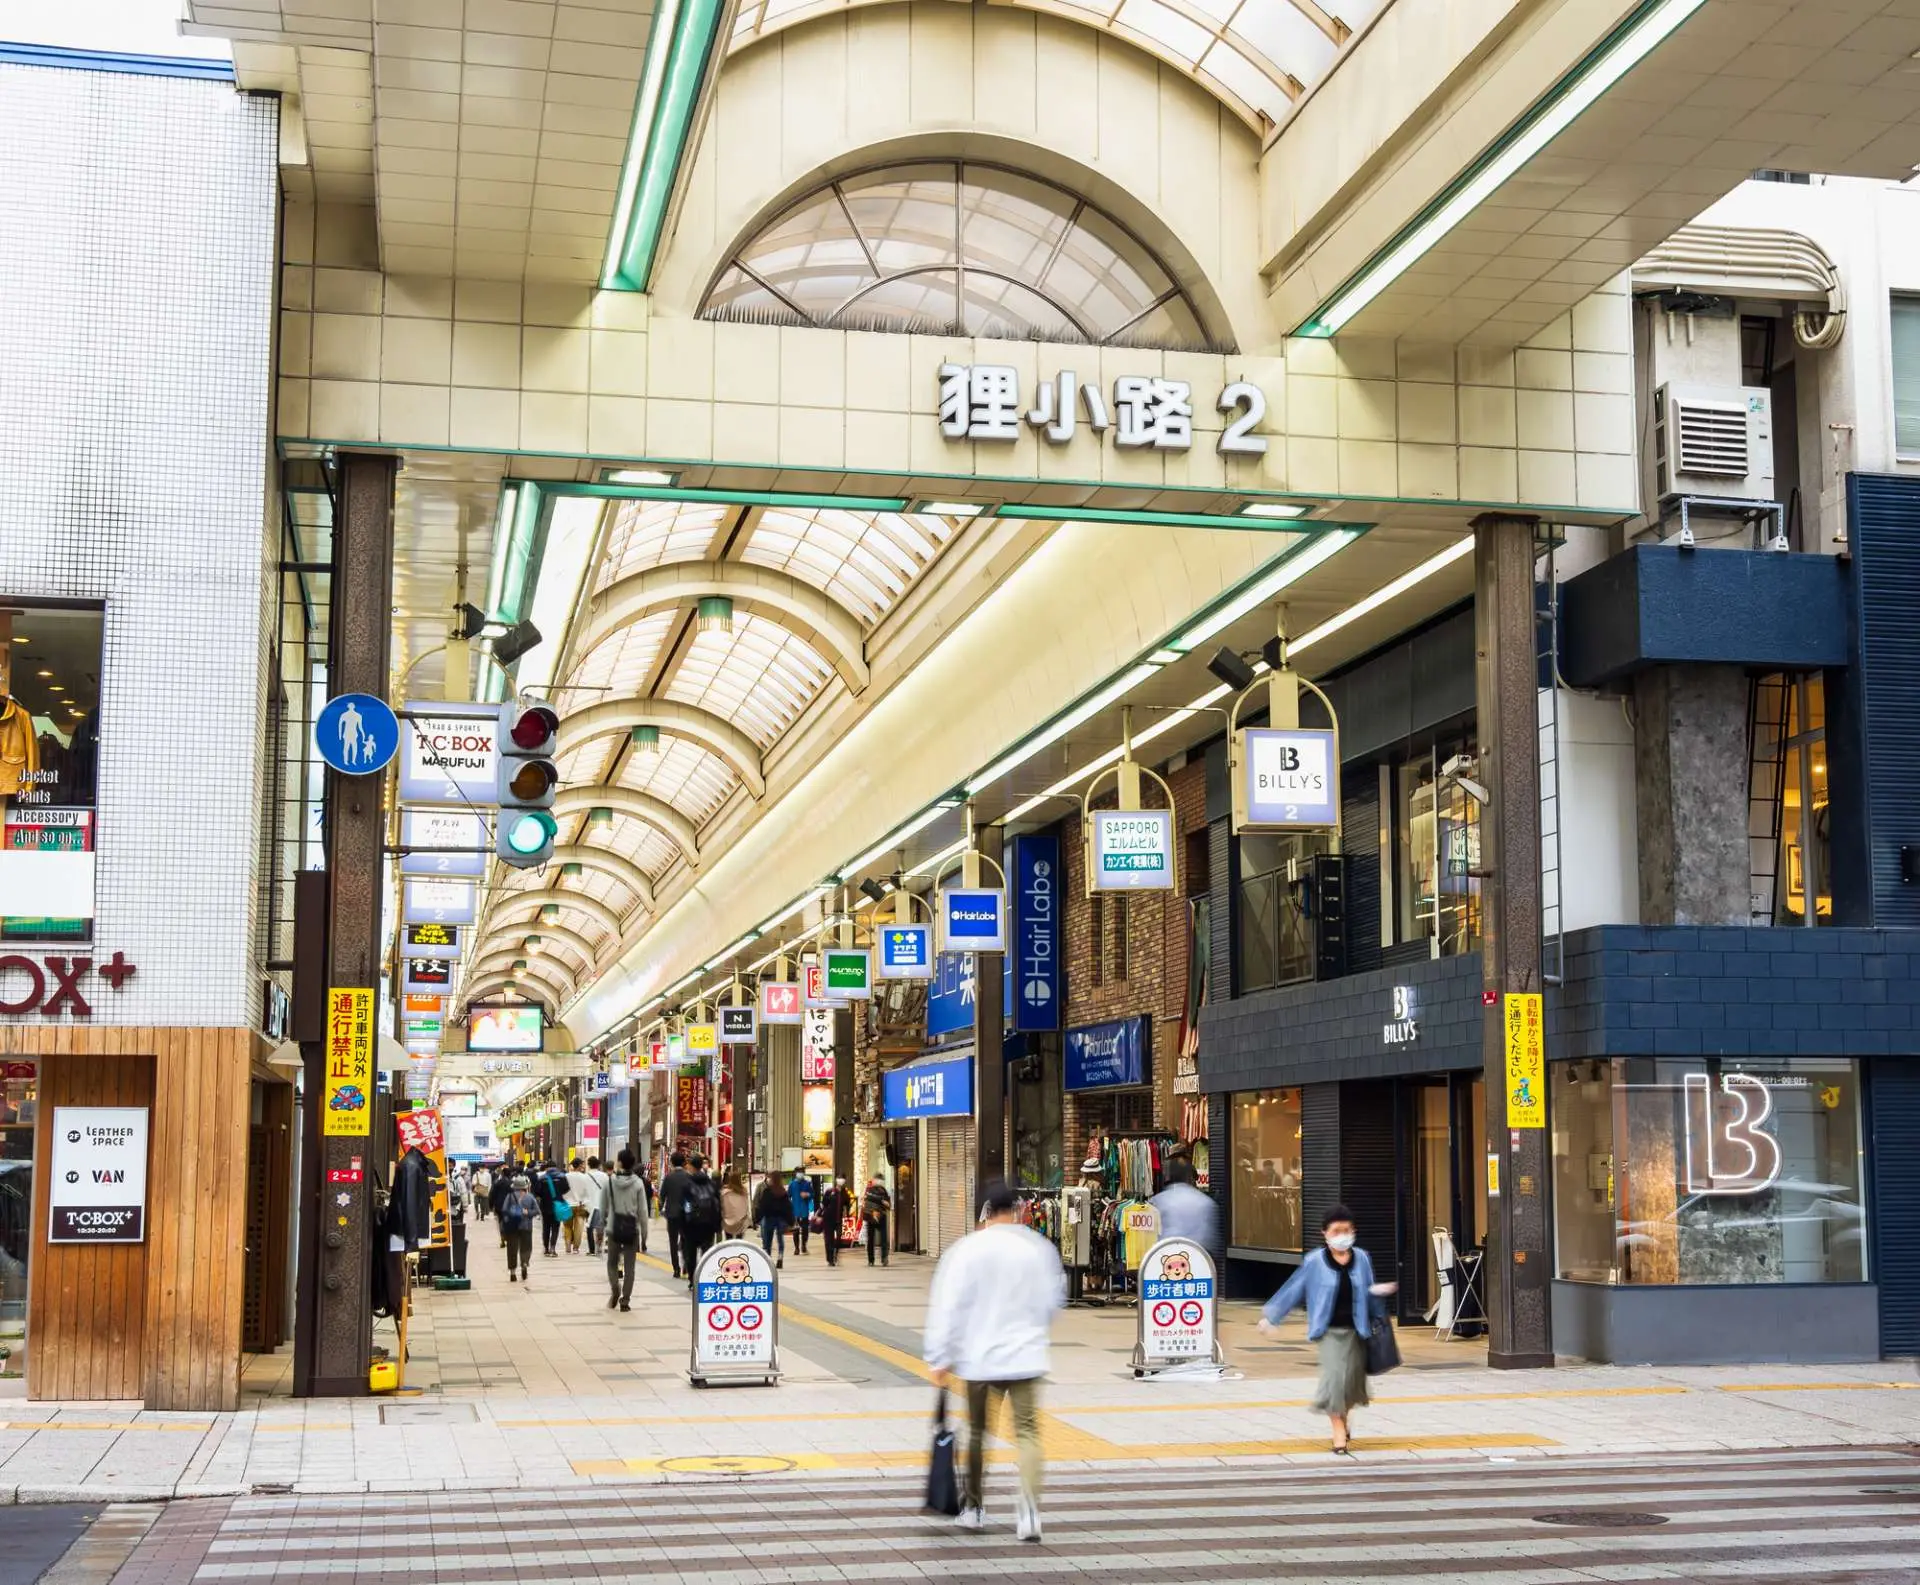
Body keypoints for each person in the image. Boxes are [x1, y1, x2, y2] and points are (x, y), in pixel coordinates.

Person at [924, 1178, 1066, 1543]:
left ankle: (973, 1509)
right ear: (1016, 1210)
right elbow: (1054, 1301)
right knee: (1029, 1433)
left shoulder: (967, 1250)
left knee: (977, 1433)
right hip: (1027, 1357)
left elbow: (948, 1307)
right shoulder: (1038, 1248)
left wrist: (940, 1357)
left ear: (985, 1212)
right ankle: (1030, 1511)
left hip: (979, 1358)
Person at [1258, 1204, 1389, 1455]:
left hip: (1357, 1330)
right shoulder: (1314, 1261)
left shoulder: (1362, 1258)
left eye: (1347, 1230)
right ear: (1325, 1233)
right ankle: (1338, 1430)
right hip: (1329, 1331)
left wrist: (1380, 1298)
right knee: (1334, 1381)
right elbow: (1294, 1288)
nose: (1343, 1235)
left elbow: (1369, 1290)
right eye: (1337, 1230)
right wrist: (1272, 1317)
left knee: (1352, 1385)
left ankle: (1345, 1415)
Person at [604, 1149, 646, 1311]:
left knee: (612, 1263)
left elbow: (603, 1207)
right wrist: (645, 1235)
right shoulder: (638, 1183)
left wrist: (603, 1224)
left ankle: (615, 1288)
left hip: (613, 1228)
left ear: (619, 1162)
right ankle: (625, 1301)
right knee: (630, 1268)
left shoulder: (610, 1182)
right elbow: (643, 1211)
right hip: (631, 1229)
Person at [1150, 1158, 1218, 1247]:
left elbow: (1151, 1238)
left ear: (1168, 1177)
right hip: (1198, 1257)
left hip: (1164, 1257)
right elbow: (1210, 1240)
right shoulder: (1207, 1202)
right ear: (1189, 1177)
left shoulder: (1157, 1202)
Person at [681, 1156, 722, 1285]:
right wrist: (717, 1224)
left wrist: (682, 1224)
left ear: (692, 1167)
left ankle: (693, 1279)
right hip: (708, 1224)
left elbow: (683, 1204)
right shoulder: (711, 1183)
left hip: (691, 1225)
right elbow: (718, 1204)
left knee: (691, 1253)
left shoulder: (687, 1184)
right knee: (706, 1252)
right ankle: (704, 1277)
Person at [499, 1173, 538, 1284]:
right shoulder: (530, 1197)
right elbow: (536, 1211)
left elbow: (504, 1210)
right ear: (525, 1186)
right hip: (526, 1226)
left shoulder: (510, 1196)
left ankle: (512, 1272)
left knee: (512, 1249)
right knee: (526, 1247)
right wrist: (528, 1212)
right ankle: (524, 1263)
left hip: (512, 1227)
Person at [659, 1152, 692, 1278]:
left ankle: (676, 1269)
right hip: (686, 1214)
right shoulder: (689, 1177)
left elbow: (662, 1196)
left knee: (673, 1242)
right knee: (686, 1240)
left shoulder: (668, 1177)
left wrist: (660, 1210)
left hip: (671, 1214)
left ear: (672, 1162)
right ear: (684, 1163)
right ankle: (686, 1266)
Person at [754, 1170, 793, 1269]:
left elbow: (763, 1205)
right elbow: (787, 1207)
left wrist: (757, 1218)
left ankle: (768, 1258)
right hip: (780, 1219)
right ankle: (780, 1256)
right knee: (780, 1239)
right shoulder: (783, 1191)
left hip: (769, 1218)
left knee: (768, 1240)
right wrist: (790, 1220)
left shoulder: (767, 1191)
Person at [578, 1155, 610, 1257]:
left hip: (589, 1205)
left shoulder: (585, 1177)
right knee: (600, 1227)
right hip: (602, 1204)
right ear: (599, 1165)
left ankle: (592, 1250)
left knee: (589, 1228)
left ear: (588, 1165)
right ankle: (599, 1244)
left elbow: (582, 1192)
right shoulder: (604, 1176)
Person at [862, 1174, 892, 1267]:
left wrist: (884, 1202)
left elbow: (888, 1204)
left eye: (881, 1180)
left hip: (881, 1216)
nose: (879, 1181)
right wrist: (881, 1201)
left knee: (884, 1238)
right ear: (874, 1180)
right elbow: (866, 1201)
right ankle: (871, 1260)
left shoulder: (883, 1191)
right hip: (871, 1217)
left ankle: (884, 1258)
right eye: (878, 1179)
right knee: (871, 1239)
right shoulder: (869, 1190)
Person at [818, 1177, 849, 1266]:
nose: (841, 1180)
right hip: (828, 1219)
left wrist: (846, 1213)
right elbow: (823, 1205)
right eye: (839, 1178)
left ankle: (835, 1253)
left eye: (842, 1179)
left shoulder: (844, 1193)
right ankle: (830, 1259)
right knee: (829, 1240)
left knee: (839, 1238)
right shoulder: (830, 1191)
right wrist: (819, 1215)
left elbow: (847, 1204)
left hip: (838, 1220)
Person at [561, 1157, 588, 1254]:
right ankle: (576, 1248)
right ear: (580, 1165)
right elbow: (587, 1192)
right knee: (579, 1227)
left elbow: (562, 1191)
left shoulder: (566, 1176)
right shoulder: (585, 1177)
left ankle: (568, 1245)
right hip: (580, 1205)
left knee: (567, 1226)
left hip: (567, 1205)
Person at [720, 1168, 751, 1240]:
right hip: (740, 1222)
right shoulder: (744, 1191)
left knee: (729, 1240)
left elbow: (723, 1207)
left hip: (728, 1222)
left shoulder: (725, 1192)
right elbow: (745, 1205)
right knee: (739, 1241)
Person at [788, 1171, 815, 1255]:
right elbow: (788, 1196)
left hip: (804, 1211)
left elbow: (812, 1194)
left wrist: (807, 1194)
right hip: (795, 1211)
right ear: (796, 1174)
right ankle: (796, 1248)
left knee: (805, 1230)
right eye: (799, 1172)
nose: (800, 1174)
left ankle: (804, 1246)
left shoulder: (807, 1183)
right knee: (795, 1230)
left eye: (802, 1172)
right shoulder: (792, 1184)